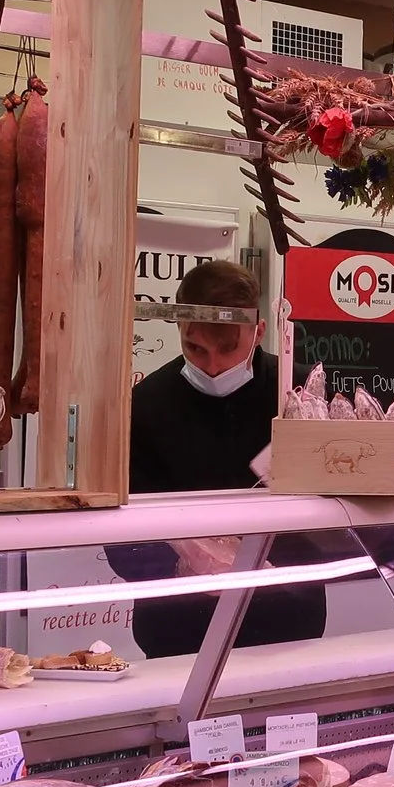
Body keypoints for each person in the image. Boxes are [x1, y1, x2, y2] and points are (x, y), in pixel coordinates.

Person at [116, 259, 327, 657]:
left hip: (288, 619)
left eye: (228, 348)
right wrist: (183, 564)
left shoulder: (299, 391)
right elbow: (123, 531)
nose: (212, 366)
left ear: (259, 331)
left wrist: (276, 564)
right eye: (195, 348)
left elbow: (328, 505)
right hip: (177, 628)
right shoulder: (143, 405)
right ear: (179, 329)